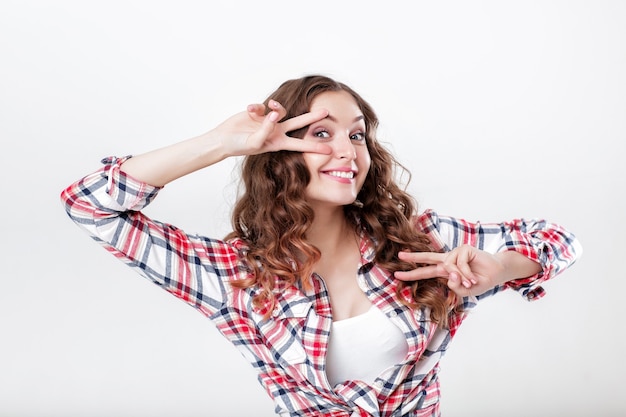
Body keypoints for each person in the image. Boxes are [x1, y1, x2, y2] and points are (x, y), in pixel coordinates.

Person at [60, 74, 582, 417]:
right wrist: (220, 143)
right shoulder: (235, 275)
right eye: (320, 133)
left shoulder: (422, 242)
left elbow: (559, 243)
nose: (345, 151)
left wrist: (502, 268)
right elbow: (89, 205)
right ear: (277, 149)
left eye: (356, 136)